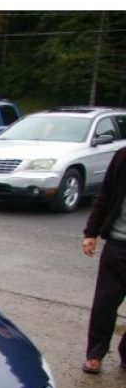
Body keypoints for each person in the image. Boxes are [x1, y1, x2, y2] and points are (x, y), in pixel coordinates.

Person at [82, 145, 126, 374]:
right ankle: (95, 355)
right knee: (105, 303)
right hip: (119, 243)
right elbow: (106, 194)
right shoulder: (123, 156)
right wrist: (91, 232)